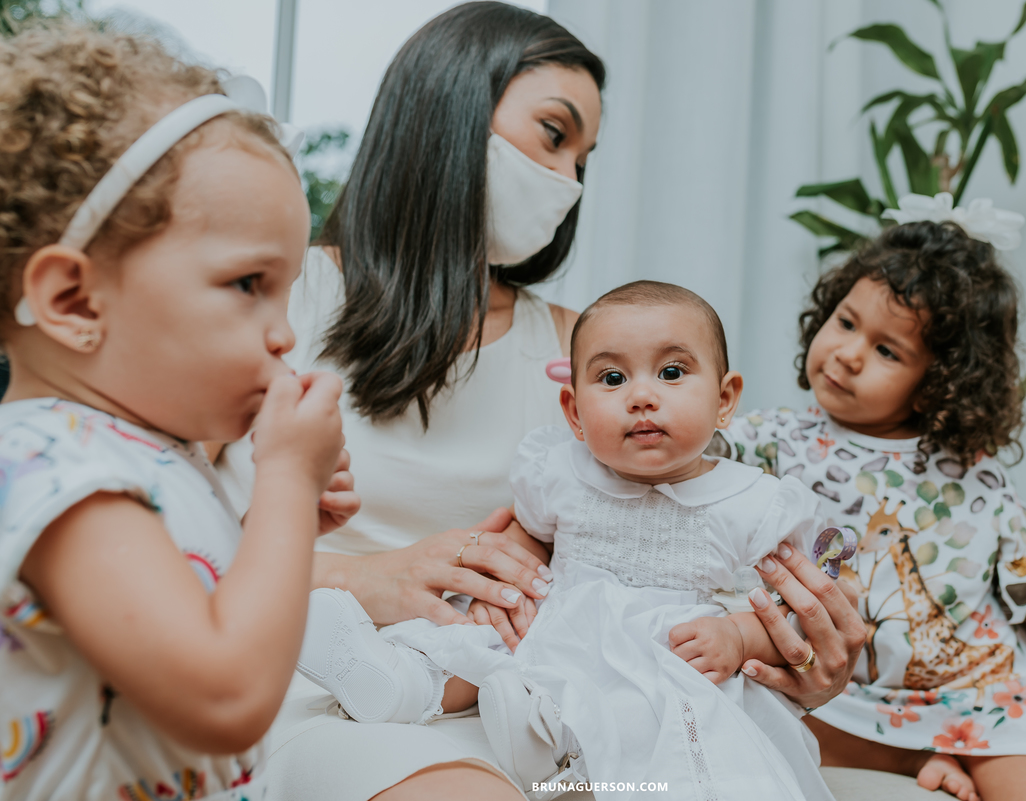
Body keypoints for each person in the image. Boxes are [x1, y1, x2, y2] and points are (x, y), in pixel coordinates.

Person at [217, 4, 864, 798]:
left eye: (584, 161)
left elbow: (703, 528)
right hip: (319, 684)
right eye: (555, 136)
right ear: (448, 106)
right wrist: (368, 579)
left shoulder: (587, 358)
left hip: (536, 700)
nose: (567, 181)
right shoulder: (284, 300)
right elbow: (170, 545)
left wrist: (783, 648)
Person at [298, 281, 848, 800]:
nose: (641, 396)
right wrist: (504, 590)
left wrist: (738, 637)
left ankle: (550, 753)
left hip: (666, 654)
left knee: (659, 727)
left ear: (726, 399)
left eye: (672, 372)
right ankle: (397, 683)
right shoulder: (560, 470)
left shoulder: (756, 501)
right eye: (612, 380)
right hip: (555, 622)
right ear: (574, 412)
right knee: (473, 641)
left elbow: (791, 605)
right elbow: (529, 538)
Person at [0, 24, 354, 799]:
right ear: (73, 299)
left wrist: (270, 509)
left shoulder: (135, 449)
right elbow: (225, 695)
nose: (285, 331)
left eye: (287, 289)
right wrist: (288, 486)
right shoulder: (63, 475)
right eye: (247, 284)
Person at [719, 211, 1026, 801]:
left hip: (982, 690)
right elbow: (692, 459)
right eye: (845, 322)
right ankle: (919, 756)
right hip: (838, 691)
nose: (847, 354)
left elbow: (1025, 563)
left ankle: (944, 752)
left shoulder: (970, 468)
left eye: (887, 351)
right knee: (751, 710)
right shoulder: (770, 440)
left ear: (940, 381)